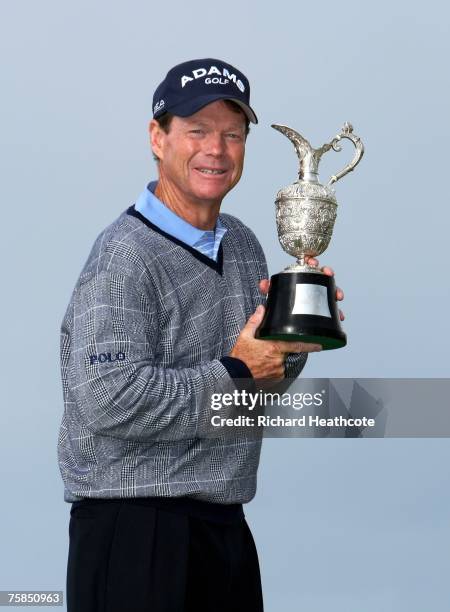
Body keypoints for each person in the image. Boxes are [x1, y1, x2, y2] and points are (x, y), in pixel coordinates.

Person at [58, 58, 345, 612]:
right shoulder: (123, 256)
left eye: (232, 134)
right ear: (157, 138)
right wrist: (237, 369)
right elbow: (107, 400)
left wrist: (289, 343)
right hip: (134, 532)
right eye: (197, 130)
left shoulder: (242, 245)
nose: (216, 148)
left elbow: (246, 401)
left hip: (224, 528)